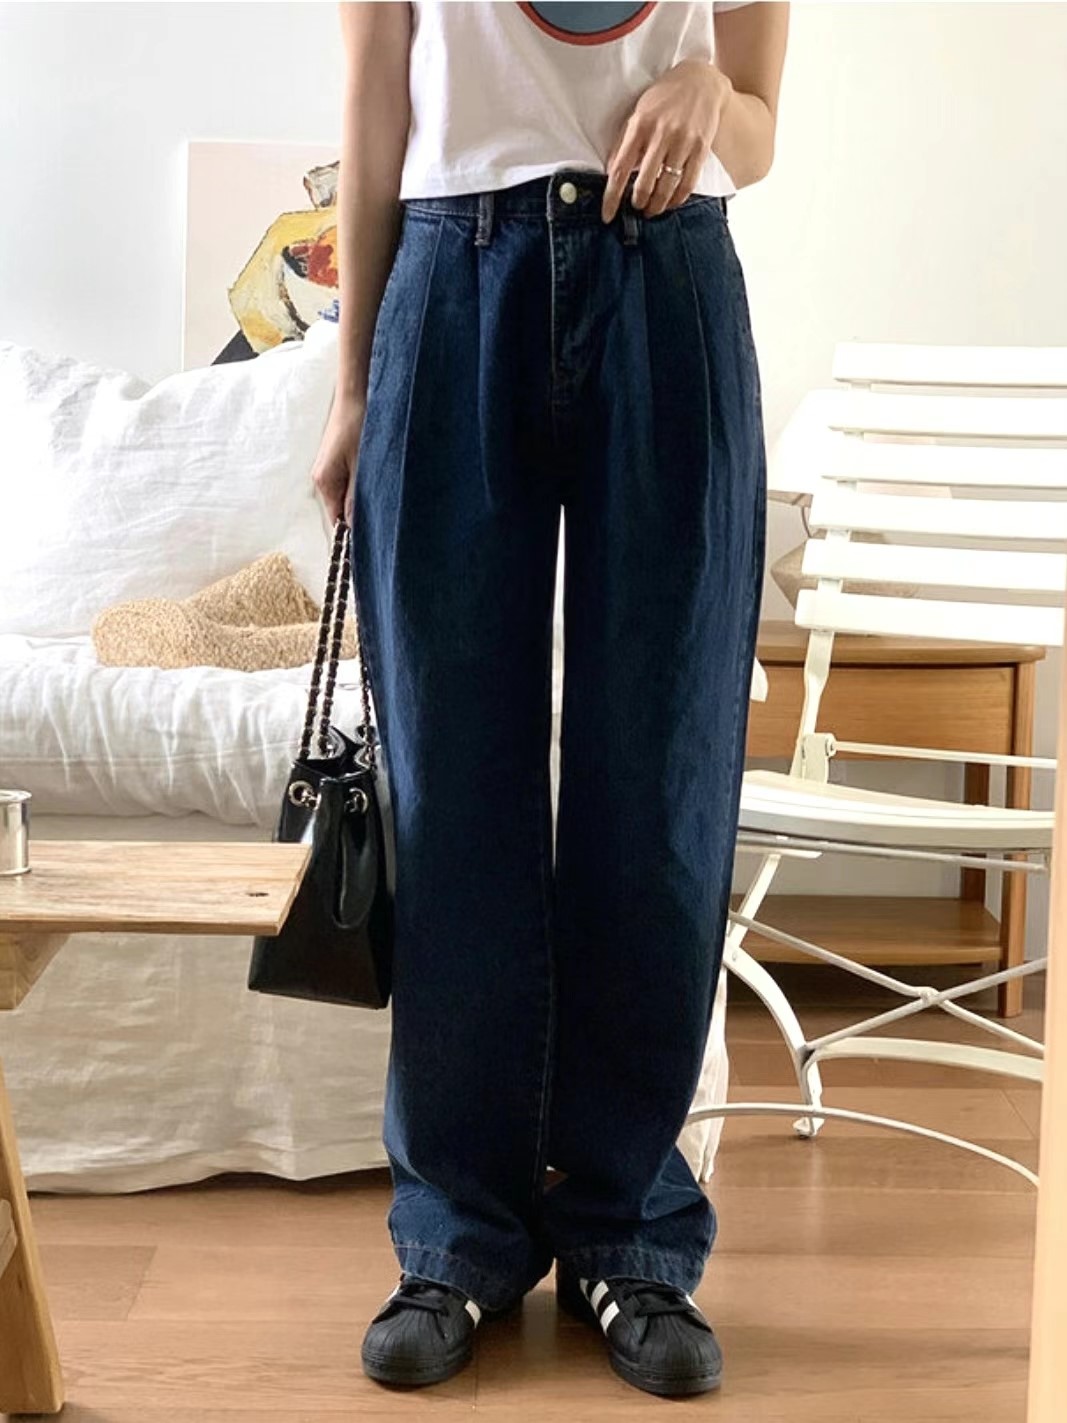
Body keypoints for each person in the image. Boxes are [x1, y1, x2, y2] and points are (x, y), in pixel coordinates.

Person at [315, 0, 788, 1398]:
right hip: (453, 276)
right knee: (453, 787)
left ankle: (628, 1234)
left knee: (661, 780)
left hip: (670, 278)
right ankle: (455, 1238)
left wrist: (709, 94)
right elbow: (375, 98)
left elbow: (759, 131)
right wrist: (354, 386)